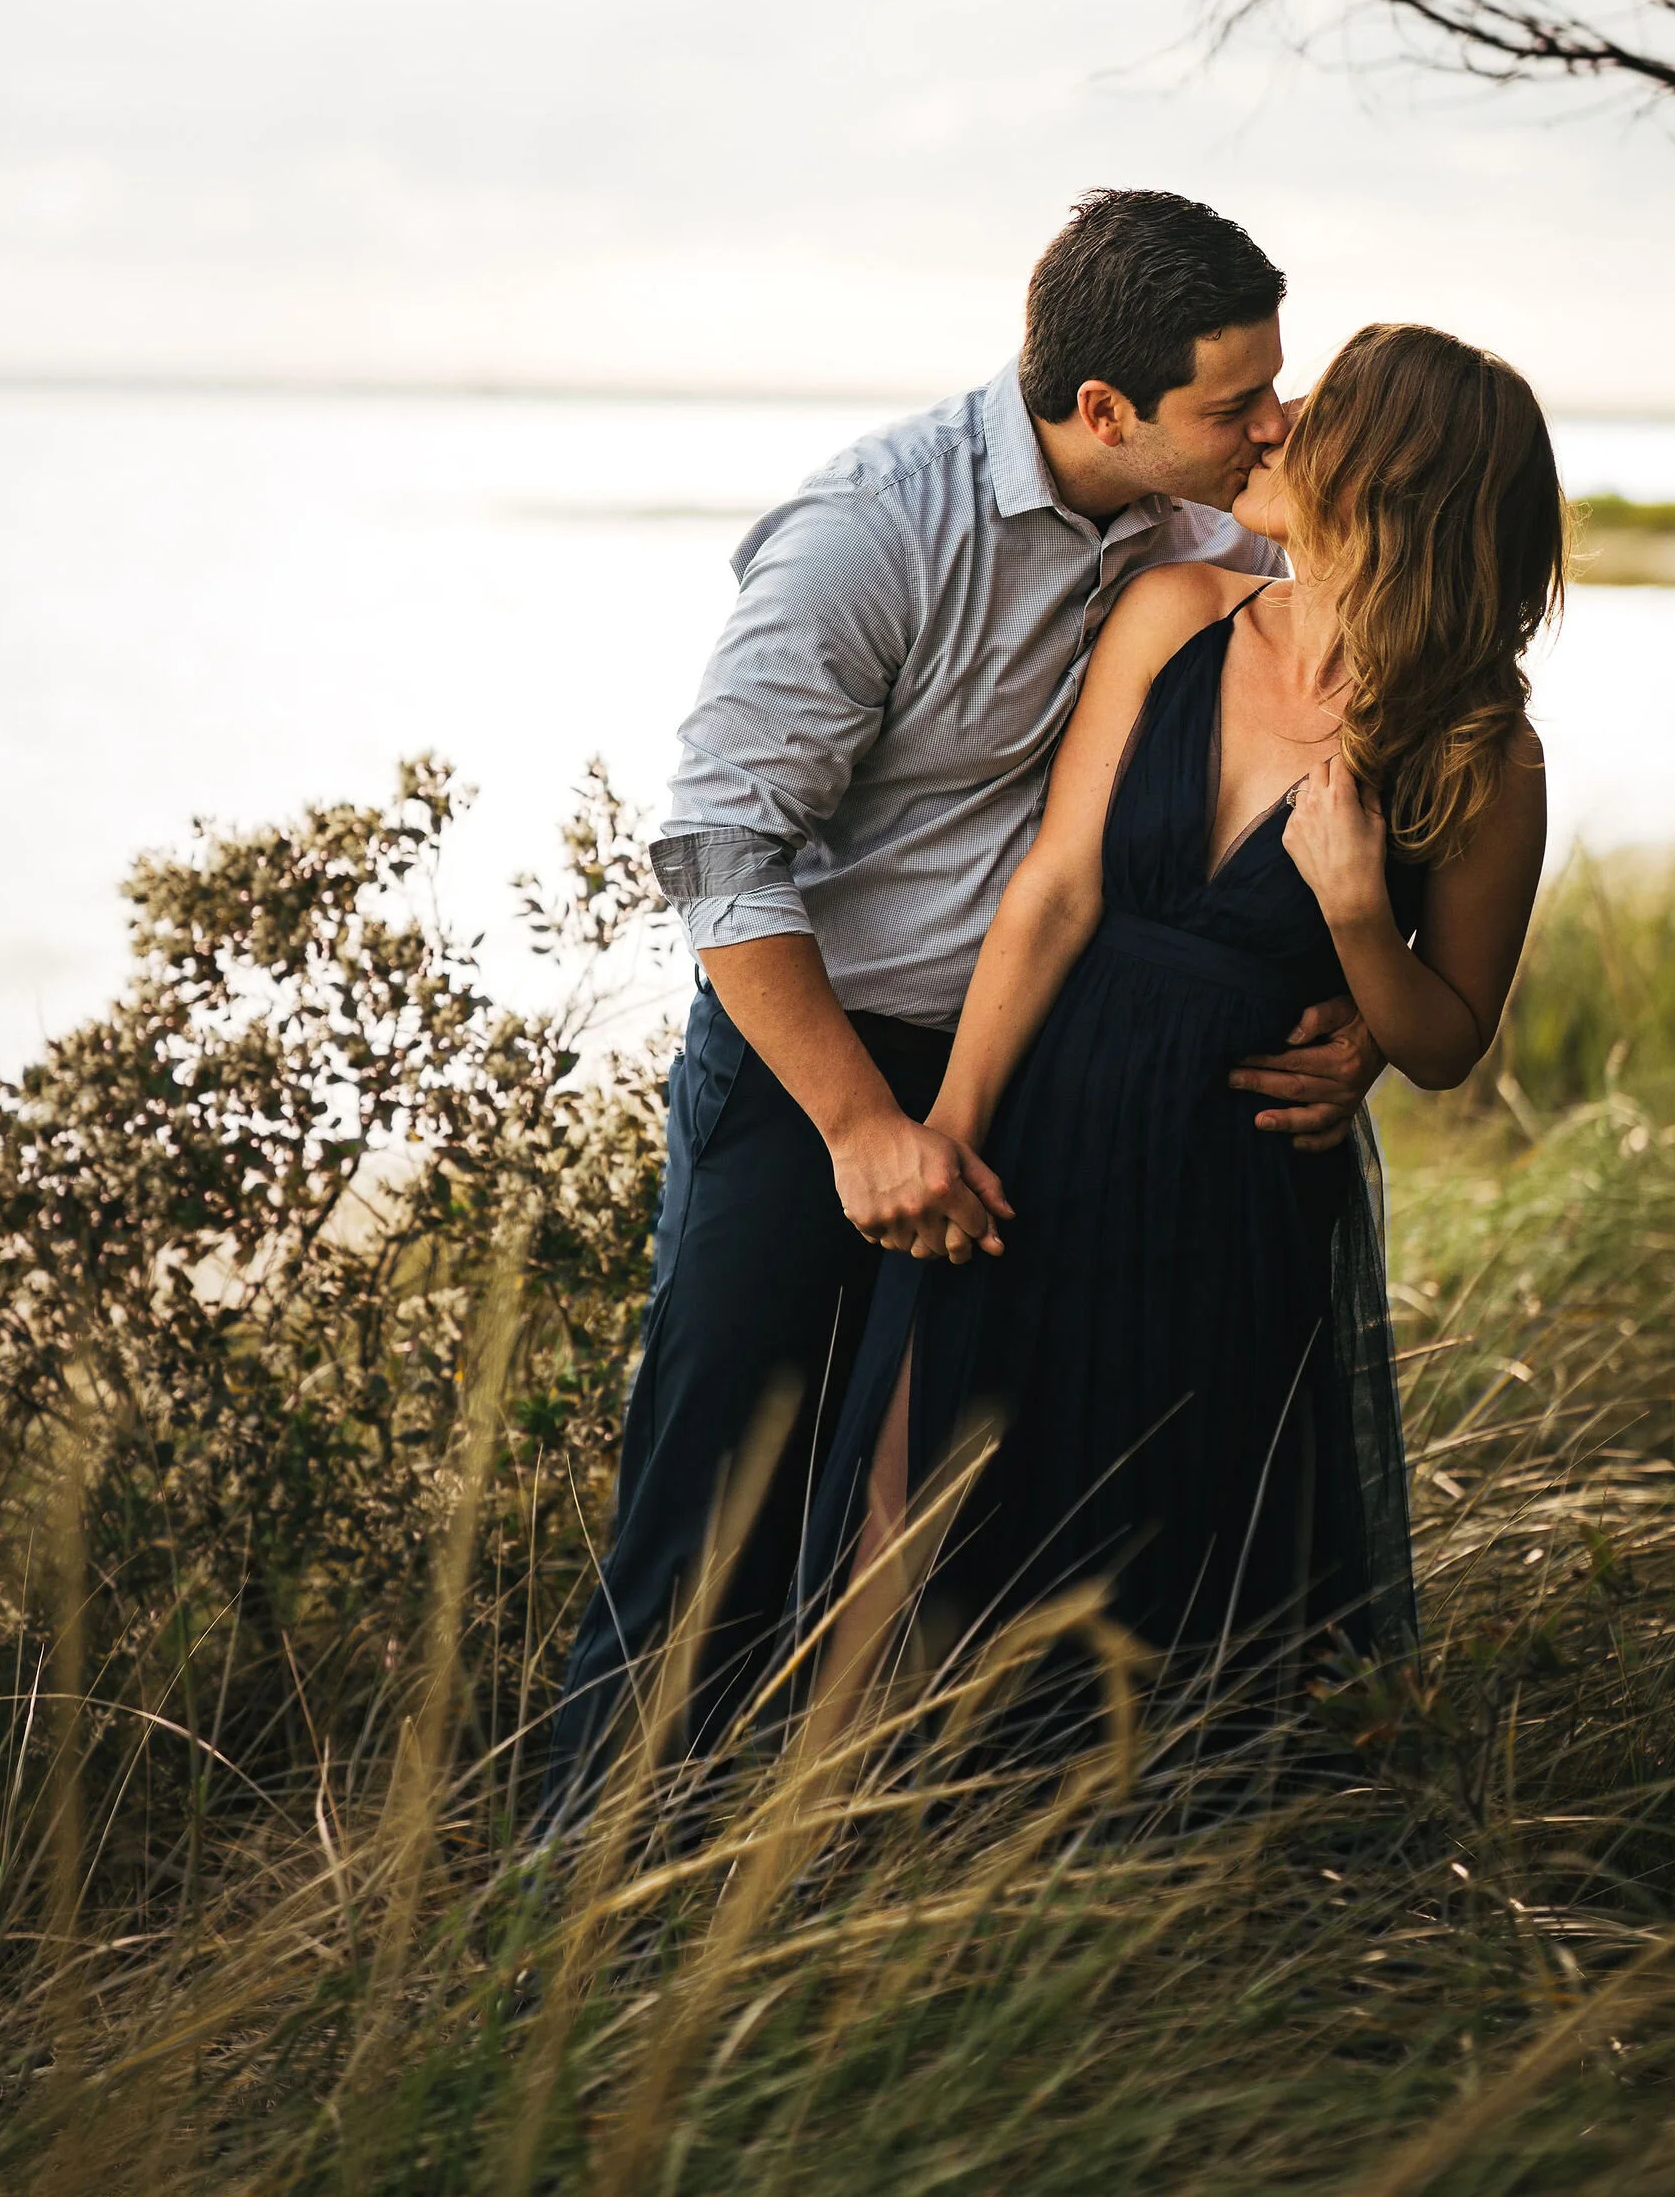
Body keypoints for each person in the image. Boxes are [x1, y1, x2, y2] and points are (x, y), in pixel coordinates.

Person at [542, 191, 1383, 1813]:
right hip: (819, 1073)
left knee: (945, 1519)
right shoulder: (873, 529)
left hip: (1040, 1089)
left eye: (1274, 390)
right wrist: (860, 1124)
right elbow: (716, 843)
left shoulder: (1208, 518)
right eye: (1239, 403)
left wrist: (1365, 1007)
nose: (1276, 427)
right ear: (1101, 412)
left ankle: (867, 1880)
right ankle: (585, 1906)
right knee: (719, 1499)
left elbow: (1394, 615)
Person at [798, 321, 1563, 1728]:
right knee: (906, 1516)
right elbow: (1054, 891)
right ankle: (824, 1857)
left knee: (1163, 1550)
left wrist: (1350, 918)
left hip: (1230, 1185)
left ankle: (1136, 1880)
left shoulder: (1481, 753)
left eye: (1313, 416)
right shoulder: (1177, 608)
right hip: (1038, 1129)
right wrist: (952, 1132)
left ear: (1392, 483)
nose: (1270, 429)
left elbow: (1450, 1038)